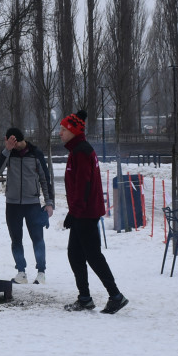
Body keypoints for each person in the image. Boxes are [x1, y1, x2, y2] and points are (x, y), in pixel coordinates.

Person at [59, 110, 128, 314]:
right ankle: (85, 298)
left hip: (85, 214)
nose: (60, 133)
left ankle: (115, 296)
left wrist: (74, 212)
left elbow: (83, 185)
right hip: (82, 212)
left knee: (93, 255)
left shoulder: (81, 151)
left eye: (63, 129)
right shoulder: (77, 150)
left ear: (73, 131)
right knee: (75, 254)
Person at [0, 127, 55, 284]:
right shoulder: (8, 153)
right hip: (12, 204)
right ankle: (21, 272)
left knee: (37, 238)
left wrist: (49, 203)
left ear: (17, 140)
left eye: (11, 141)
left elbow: (44, 179)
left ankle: (41, 272)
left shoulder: (35, 153)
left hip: (32, 203)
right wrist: (6, 150)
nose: (9, 144)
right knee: (16, 239)